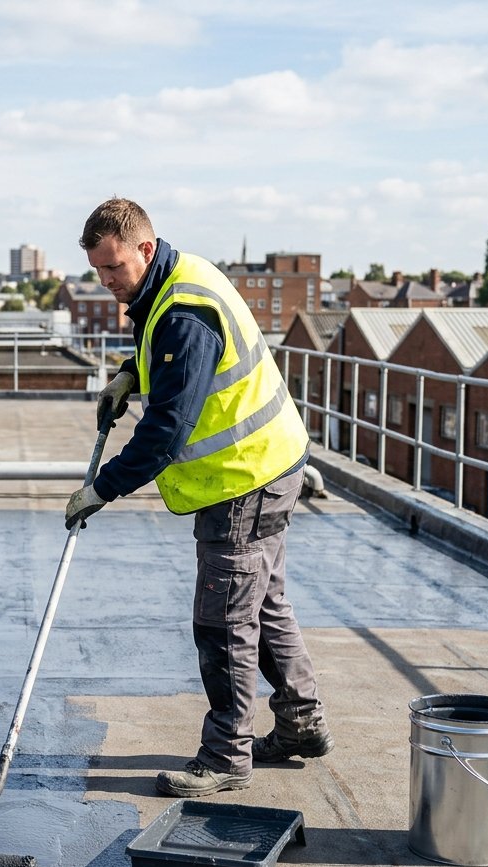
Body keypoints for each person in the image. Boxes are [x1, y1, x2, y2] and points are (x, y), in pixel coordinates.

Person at [65, 197, 332, 798]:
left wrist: (100, 489)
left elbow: (165, 432)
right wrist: (131, 372)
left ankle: (225, 756)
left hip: (244, 481)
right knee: (264, 606)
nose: (108, 284)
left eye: (114, 269)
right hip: (270, 464)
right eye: (98, 271)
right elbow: (169, 355)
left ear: (145, 249)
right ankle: (301, 725)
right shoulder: (176, 280)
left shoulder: (184, 312)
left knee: (223, 622)